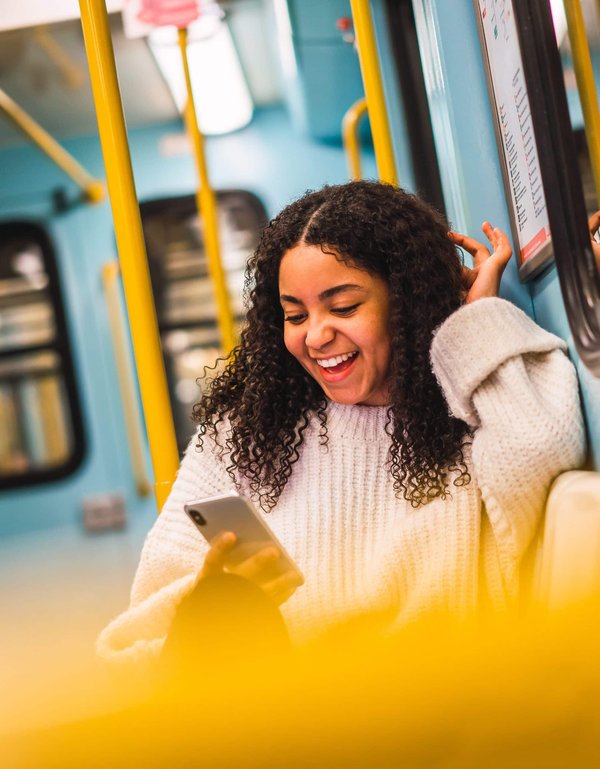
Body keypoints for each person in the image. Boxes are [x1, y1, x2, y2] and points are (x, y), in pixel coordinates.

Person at [97, 181, 584, 665]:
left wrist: (475, 316)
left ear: (407, 300)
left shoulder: (466, 406)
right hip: (292, 717)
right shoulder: (243, 435)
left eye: (344, 307)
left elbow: (541, 447)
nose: (315, 335)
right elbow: (130, 649)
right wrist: (205, 611)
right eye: (294, 315)